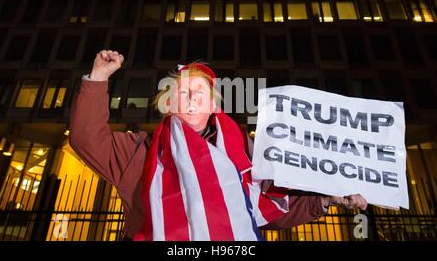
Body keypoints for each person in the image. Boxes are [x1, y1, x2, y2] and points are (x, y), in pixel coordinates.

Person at [69, 50, 368, 241]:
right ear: (169, 103)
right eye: (183, 91)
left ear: (213, 104)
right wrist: (98, 79)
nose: (192, 96)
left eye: (200, 91)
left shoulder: (246, 152)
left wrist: (328, 199)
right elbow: (86, 138)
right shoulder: (139, 152)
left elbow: (273, 209)